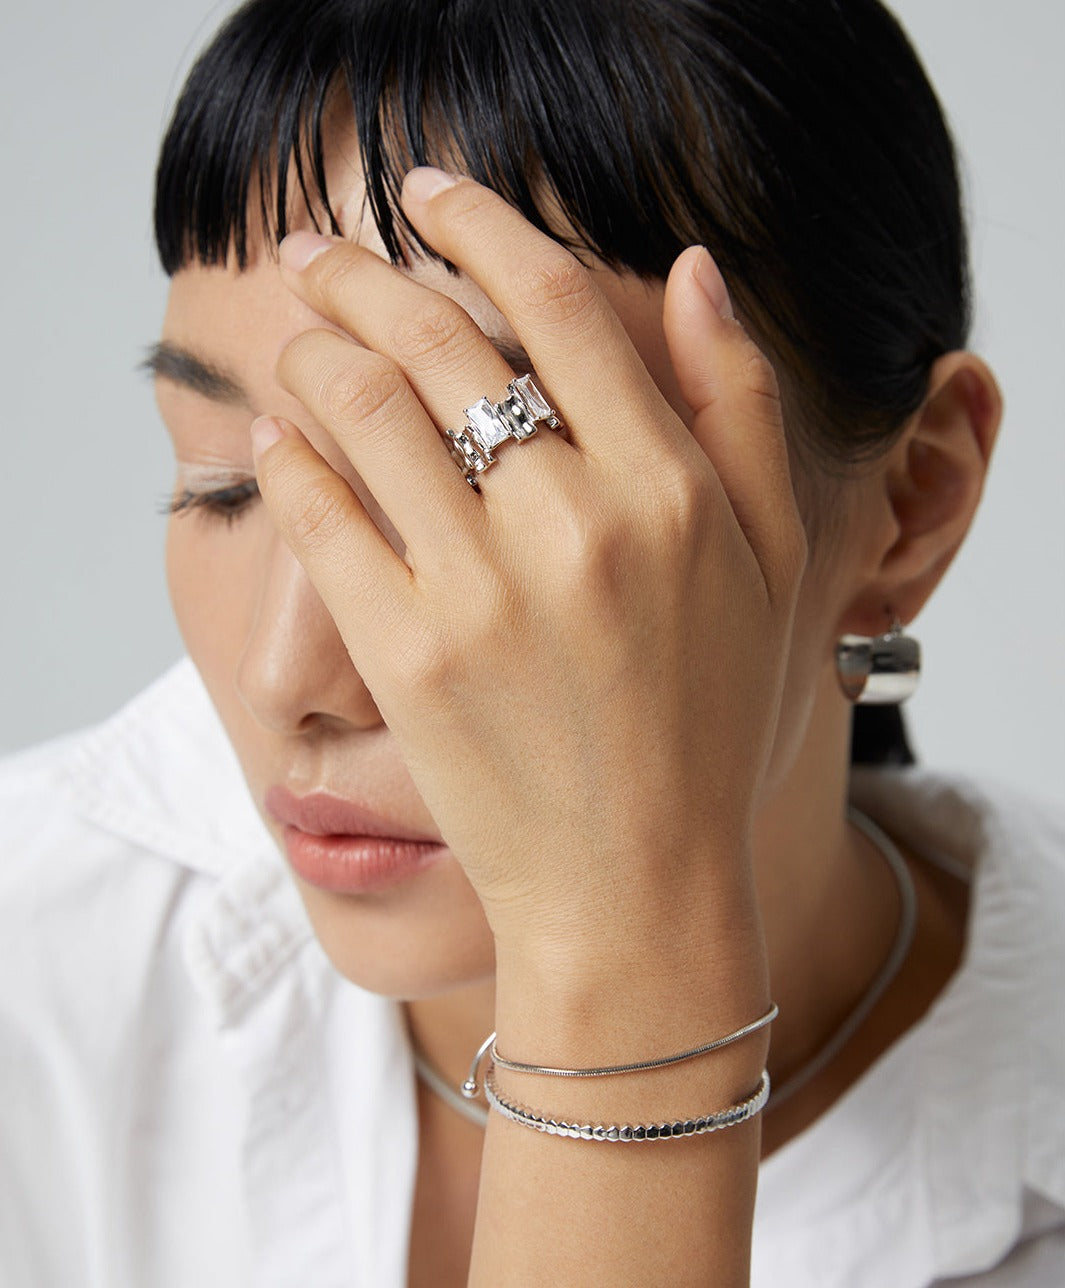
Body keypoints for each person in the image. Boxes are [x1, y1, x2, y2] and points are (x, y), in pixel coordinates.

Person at [1, 0, 1063, 1283]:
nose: (289, 677)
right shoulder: (42, 950)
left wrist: (626, 964)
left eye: (473, 485)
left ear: (915, 499)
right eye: (223, 483)